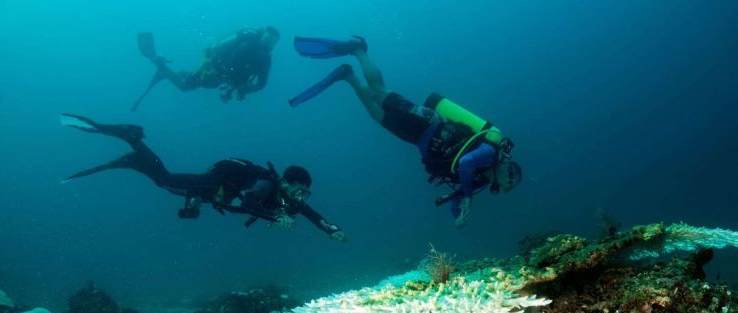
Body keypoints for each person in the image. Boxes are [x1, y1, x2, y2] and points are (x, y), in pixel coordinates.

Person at [288, 36, 522, 227]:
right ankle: (359, 50)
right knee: (380, 92)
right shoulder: (490, 154)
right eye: (511, 180)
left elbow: (457, 196)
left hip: (418, 139)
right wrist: (469, 197)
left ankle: (348, 76)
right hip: (427, 124)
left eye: (509, 187)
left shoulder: (479, 180)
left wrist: (459, 215)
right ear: (507, 170)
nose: (507, 186)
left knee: (377, 115)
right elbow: (465, 162)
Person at [60, 114, 346, 240]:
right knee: (166, 180)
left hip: (212, 193)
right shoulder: (266, 185)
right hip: (211, 185)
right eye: (299, 190)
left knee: (164, 182)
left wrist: (331, 230)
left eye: (305, 193)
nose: (300, 197)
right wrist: (274, 216)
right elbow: (248, 202)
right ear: (287, 182)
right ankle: (133, 140)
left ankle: (133, 159)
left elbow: (312, 214)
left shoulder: (288, 200)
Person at [132, 27, 280, 111]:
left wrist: (245, 89)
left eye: (272, 42)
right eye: (268, 39)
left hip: (219, 70)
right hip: (213, 64)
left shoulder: (265, 58)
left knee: (193, 80)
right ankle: (163, 69)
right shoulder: (248, 46)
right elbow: (231, 65)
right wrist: (237, 87)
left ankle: (169, 71)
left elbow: (262, 83)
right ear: (262, 36)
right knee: (186, 86)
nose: (269, 44)